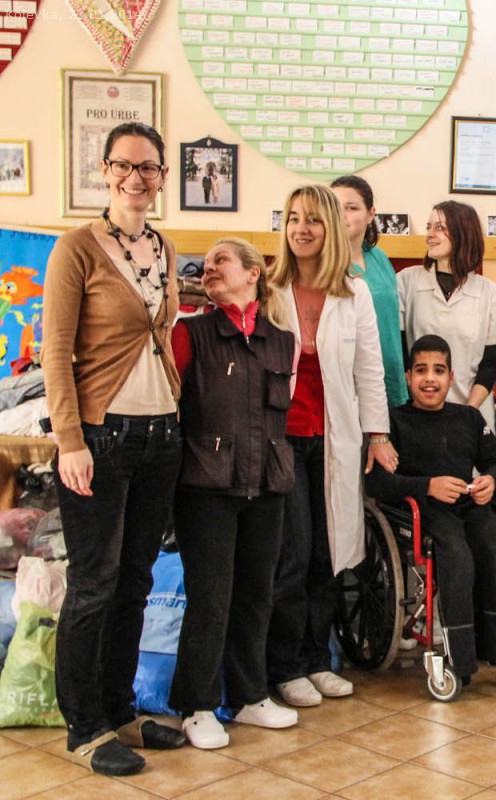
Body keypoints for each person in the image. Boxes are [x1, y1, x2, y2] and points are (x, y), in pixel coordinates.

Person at [43, 121, 187, 775]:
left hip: (161, 435)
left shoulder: (163, 246)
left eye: (148, 167)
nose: (136, 177)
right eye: (124, 165)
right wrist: (70, 440)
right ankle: (84, 727)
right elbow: (55, 353)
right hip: (101, 438)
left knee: (135, 583)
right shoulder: (75, 248)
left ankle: (119, 710)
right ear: (104, 171)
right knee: (94, 584)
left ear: (162, 176)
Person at [266, 184, 395, 707]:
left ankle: (317, 659)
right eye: (293, 218)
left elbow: (370, 369)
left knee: (329, 552)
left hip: (334, 439)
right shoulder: (269, 288)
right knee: (292, 555)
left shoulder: (353, 292)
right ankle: (285, 666)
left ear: (331, 229)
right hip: (281, 442)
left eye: (313, 219)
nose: (302, 228)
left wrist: (377, 434)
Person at [169, 238, 300, 749]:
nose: (209, 268)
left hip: (267, 481)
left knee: (257, 594)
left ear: (254, 273)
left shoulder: (282, 341)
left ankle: (250, 696)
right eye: (205, 263)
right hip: (206, 486)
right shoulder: (189, 334)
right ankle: (196, 706)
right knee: (210, 598)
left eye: (221, 259)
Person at [364, 335, 496, 683]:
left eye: (439, 371)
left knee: (492, 540)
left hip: (467, 506)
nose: (430, 379)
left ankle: (492, 645)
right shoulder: (393, 423)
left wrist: (491, 481)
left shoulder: (469, 418)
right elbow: (377, 483)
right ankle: (460, 657)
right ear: (408, 377)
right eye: (421, 370)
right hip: (423, 512)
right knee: (456, 552)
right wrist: (427, 486)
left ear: (451, 377)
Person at [398, 201, 496, 425]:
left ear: (463, 233)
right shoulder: (406, 282)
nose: (430, 234)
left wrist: (467, 413)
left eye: (439, 228)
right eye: (428, 227)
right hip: (417, 414)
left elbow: (490, 365)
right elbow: (399, 353)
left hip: (471, 413)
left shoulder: (491, 293)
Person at [331, 175, 408, 408]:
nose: (342, 215)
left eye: (351, 208)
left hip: (390, 376)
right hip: (348, 384)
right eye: (335, 208)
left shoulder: (379, 257)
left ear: (370, 214)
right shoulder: (326, 264)